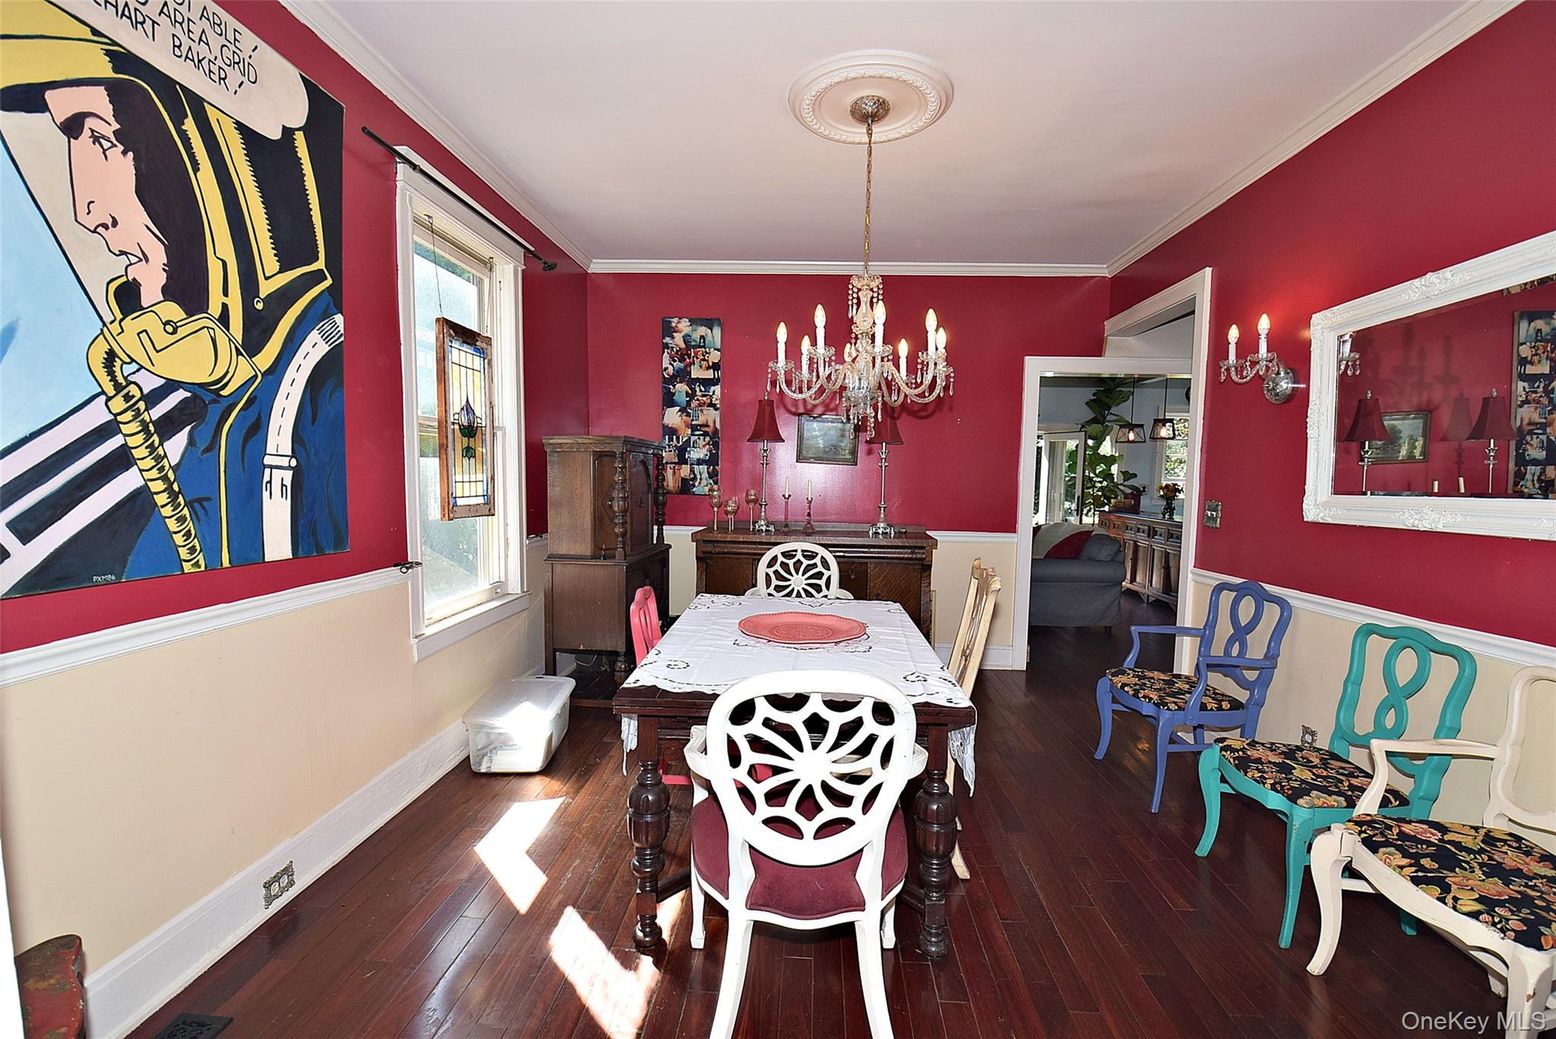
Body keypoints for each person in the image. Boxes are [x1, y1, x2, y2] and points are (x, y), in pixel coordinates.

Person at [0, 1, 346, 595]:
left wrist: (240, 387)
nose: (88, 211)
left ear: (209, 172)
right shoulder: (225, 404)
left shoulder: (315, 397)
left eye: (102, 140)